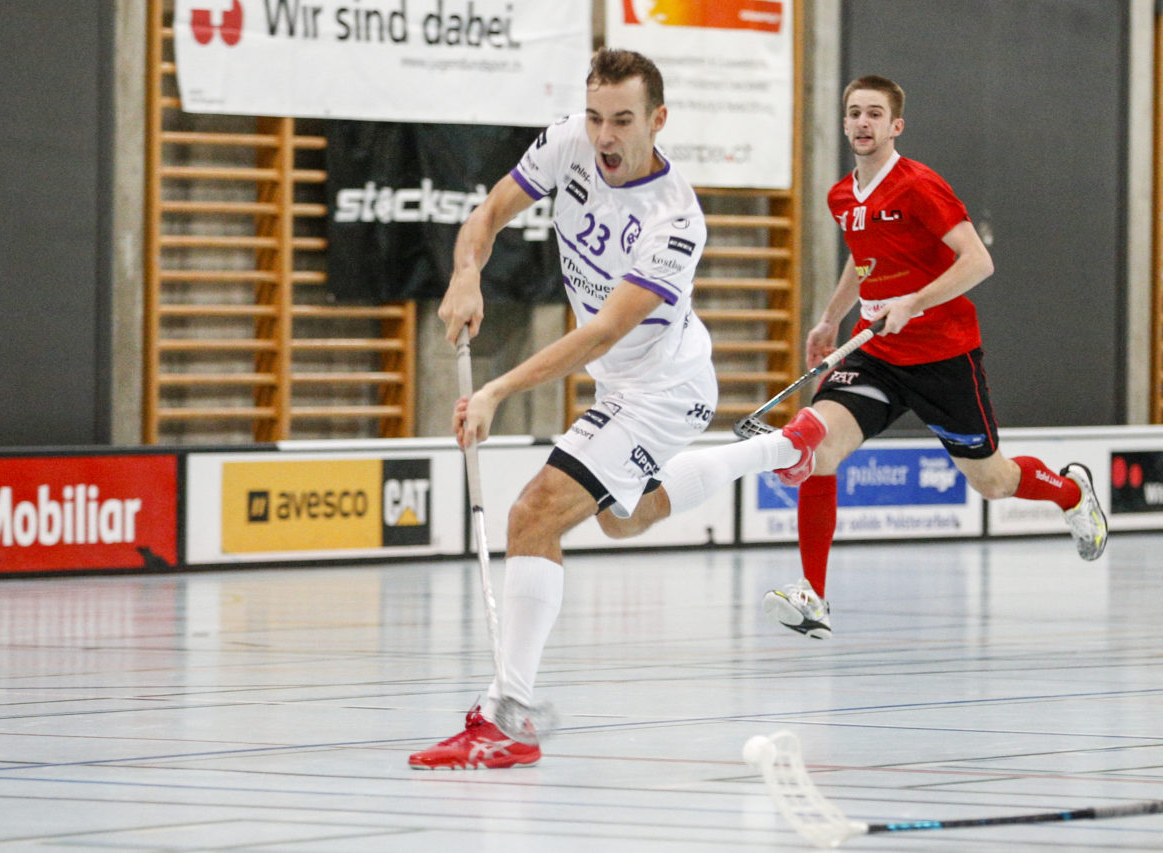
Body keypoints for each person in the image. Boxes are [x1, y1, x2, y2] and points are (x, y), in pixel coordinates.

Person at [408, 47, 827, 770]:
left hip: (665, 389)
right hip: (621, 382)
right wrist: (466, 273)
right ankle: (781, 447)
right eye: (596, 116)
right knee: (620, 519)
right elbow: (489, 213)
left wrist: (497, 391)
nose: (604, 136)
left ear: (658, 120)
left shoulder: (676, 220)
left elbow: (602, 331)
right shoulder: (569, 140)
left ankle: (508, 716)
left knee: (534, 514)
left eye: (623, 121)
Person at [761, 75, 1108, 642]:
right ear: (844, 123)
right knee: (820, 449)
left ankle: (1070, 491)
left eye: (875, 113)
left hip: (942, 354)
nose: (863, 122)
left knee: (993, 481)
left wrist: (915, 301)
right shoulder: (842, 197)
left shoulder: (919, 186)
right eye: (855, 113)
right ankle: (813, 596)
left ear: (896, 125)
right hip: (875, 352)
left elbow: (978, 262)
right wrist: (830, 317)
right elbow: (864, 260)